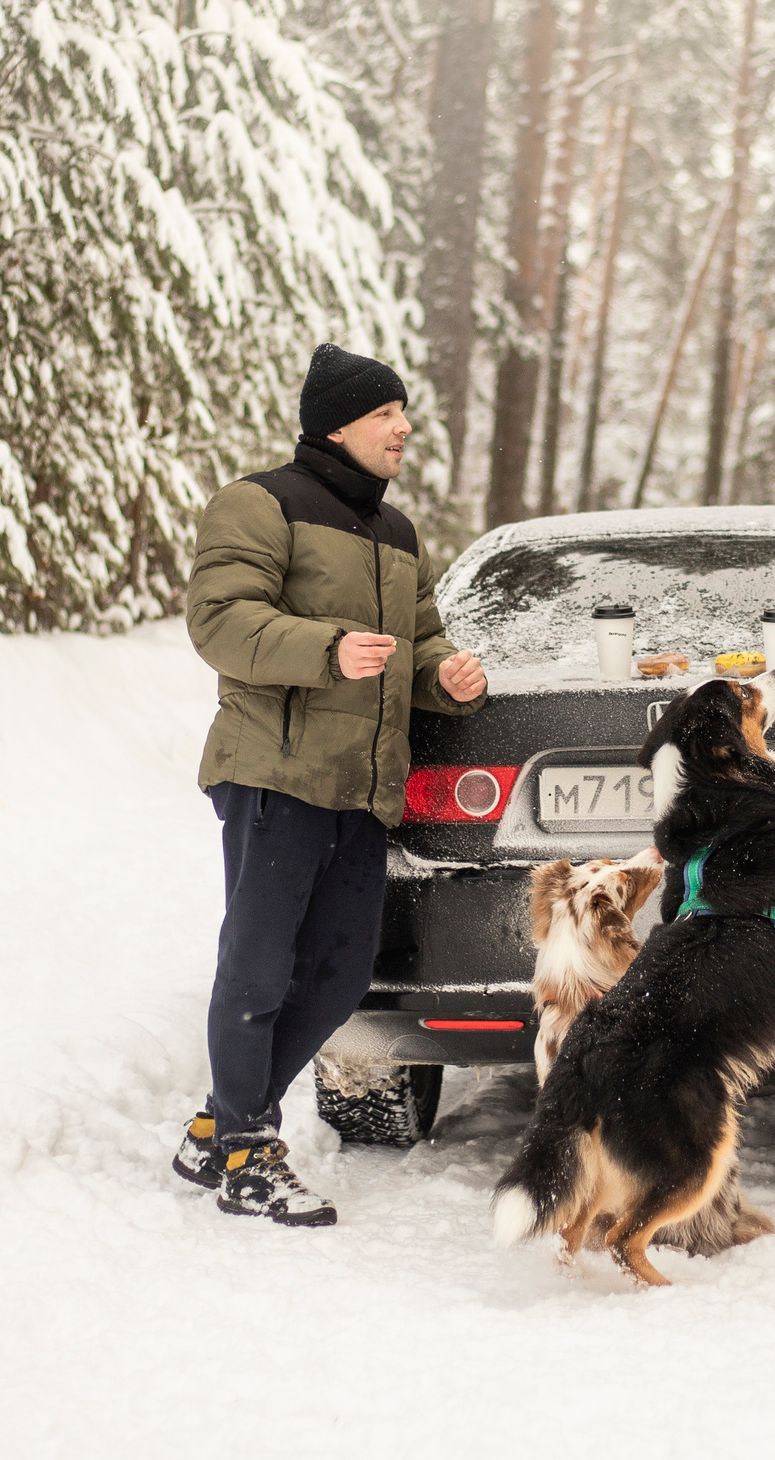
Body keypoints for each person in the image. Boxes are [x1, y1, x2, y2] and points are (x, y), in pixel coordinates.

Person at [174, 343, 488, 1225]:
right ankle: (247, 1150)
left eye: (402, 413)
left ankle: (218, 1126)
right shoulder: (261, 502)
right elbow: (219, 619)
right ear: (338, 426)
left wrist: (444, 676)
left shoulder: (396, 533)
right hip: (275, 771)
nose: (404, 428)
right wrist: (327, 649)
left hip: (363, 785)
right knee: (258, 967)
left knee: (343, 974)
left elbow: (416, 644)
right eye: (387, 413)